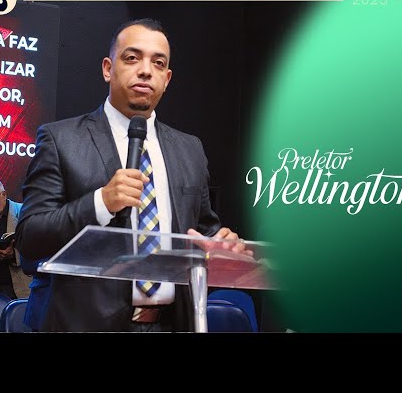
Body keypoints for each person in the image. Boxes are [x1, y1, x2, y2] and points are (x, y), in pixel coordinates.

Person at [16, 18, 245, 332]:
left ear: (167, 78)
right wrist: (101, 202)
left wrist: (220, 246)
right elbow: (29, 240)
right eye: (132, 58)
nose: (146, 70)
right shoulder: (61, 140)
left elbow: (202, 233)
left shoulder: (190, 149)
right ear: (108, 69)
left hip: (171, 325)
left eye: (158, 63)